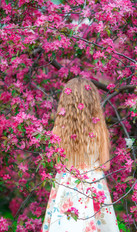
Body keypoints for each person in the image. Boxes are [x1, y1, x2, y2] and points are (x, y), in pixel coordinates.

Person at [42, 77, 119, 232]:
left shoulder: (58, 130)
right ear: (92, 102)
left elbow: (57, 164)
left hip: (67, 187)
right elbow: (105, 165)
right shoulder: (99, 129)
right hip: (93, 186)